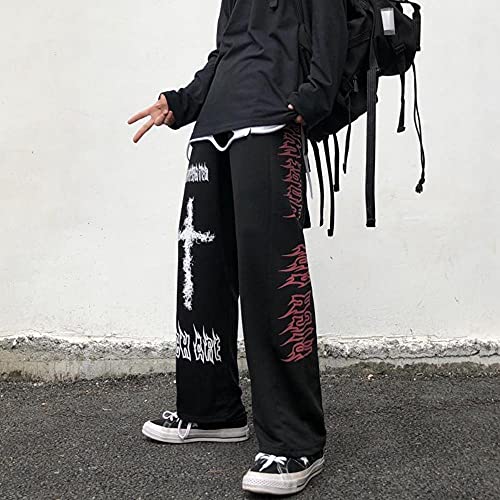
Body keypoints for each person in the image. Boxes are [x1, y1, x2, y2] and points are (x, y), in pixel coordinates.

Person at [128, 0, 348, 495]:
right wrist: (180, 102)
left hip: (270, 124)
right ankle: (212, 411)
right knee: (200, 275)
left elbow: (330, 38)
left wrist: (311, 98)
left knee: (273, 279)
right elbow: (224, 53)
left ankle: (295, 441)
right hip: (212, 129)